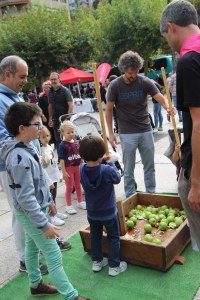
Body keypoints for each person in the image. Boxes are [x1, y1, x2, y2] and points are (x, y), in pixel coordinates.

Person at [0, 102, 89, 300]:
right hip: (30, 214)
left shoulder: (27, 148)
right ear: (22, 128)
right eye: (37, 124)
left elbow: (38, 180)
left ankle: (35, 284)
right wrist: (43, 224)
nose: (41, 128)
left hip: (35, 210)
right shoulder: (18, 157)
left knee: (31, 249)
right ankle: (71, 295)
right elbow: (25, 197)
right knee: (53, 253)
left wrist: (49, 200)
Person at [0, 55, 48, 274]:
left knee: (33, 207)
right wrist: (25, 148)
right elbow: (5, 137)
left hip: (28, 161)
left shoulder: (14, 96)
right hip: (13, 167)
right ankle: (24, 260)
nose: (25, 81)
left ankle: (35, 252)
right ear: (7, 74)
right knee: (21, 212)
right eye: (22, 76)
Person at [160, 0, 200, 251]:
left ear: (171, 27)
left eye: (166, 36)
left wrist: (195, 182)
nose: (168, 42)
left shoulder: (189, 62)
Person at [106, 51, 169, 197]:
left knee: (149, 166)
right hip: (127, 132)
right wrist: (110, 133)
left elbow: (159, 97)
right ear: (123, 70)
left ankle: (151, 194)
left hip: (145, 130)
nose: (133, 75)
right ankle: (130, 195)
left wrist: (167, 107)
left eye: (135, 71)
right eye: (129, 73)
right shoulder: (115, 86)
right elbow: (109, 110)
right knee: (128, 167)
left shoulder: (144, 81)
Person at [79, 135, 127, 276]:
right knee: (113, 237)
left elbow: (92, 168)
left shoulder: (81, 168)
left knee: (95, 236)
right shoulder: (107, 170)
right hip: (108, 212)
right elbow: (117, 178)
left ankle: (97, 262)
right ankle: (114, 266)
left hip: (92, 212)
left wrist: (103, 162)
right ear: (101, 153)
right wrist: (110, 162)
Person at [39, 126, 68, 226]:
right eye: (43, 137)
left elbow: (54, 163)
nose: (46, 138)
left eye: (47, 135)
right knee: (49, 196)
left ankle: (55, 212)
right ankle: (51, 216)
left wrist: (58, 175)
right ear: (39, 138)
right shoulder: (40, 150)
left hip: (53, 176)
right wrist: (48, 181)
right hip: (48, 178)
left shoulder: (50, 147)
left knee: (54, 195)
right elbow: (43, 166)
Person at [58, 120, 86, 215]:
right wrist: (64, 172)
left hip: (77, 167)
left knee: (78, 185)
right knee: (69, 187)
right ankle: (69, 205)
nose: (71, 134)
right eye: (68, 132)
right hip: (69, 168)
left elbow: (80, 154)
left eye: (72, 132)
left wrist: (82, 163)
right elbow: (61, 160)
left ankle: (80, 201)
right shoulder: (62, 145)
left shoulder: (77, 142)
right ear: (62, 133)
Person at [48, 72, 74, 154]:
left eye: (55, 79)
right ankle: (61, 159)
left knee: (68, 139)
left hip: (65, 119)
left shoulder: (65, 90)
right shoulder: (50, 92)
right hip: (55, 119)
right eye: (51, 79)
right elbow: (50, 106)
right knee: (58, 140)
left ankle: (71, 156)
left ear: (59, 79)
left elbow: (71, 104)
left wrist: (67, 118)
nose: (53, 81)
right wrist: (50, 118)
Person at [38, 80, 55, 145]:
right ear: (43, 89)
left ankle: (56, 142)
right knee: (48, 129)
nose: (47, 89)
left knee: (54, 128)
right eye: (46, 88)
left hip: (53, 114)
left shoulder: (53, 95)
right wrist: (42, 116)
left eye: (49, 87)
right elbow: (39, 108)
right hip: (45, 115)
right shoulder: (41, 97)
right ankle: (50, 142)